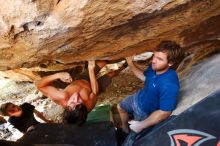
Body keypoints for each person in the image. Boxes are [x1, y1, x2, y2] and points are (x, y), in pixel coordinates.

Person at [117, 40, 184, 138]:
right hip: (139, 97)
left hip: (145, 112)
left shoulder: (169, 84)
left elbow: (165, 112)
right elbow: (144, 78)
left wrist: (141, 125)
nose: (153, 61)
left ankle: (129, 136)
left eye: (159, 59)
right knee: (120, 107)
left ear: (170, 63)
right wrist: (130, 63)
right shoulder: (154, 68)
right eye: (154, 56)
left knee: (133, 137)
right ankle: (125, 129)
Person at [36, 60, 125, 125]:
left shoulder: (61, 96)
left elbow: (39, 85)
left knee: (103, 62)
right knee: (111, 75)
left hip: (81, 79)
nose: (76, 96)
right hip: (94, 86)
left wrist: (57, 75)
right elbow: (94, 91)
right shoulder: (88, 106)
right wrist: (91, 70)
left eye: (72, 102)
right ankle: (124, 67)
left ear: (67, 107)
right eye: (79, 101)